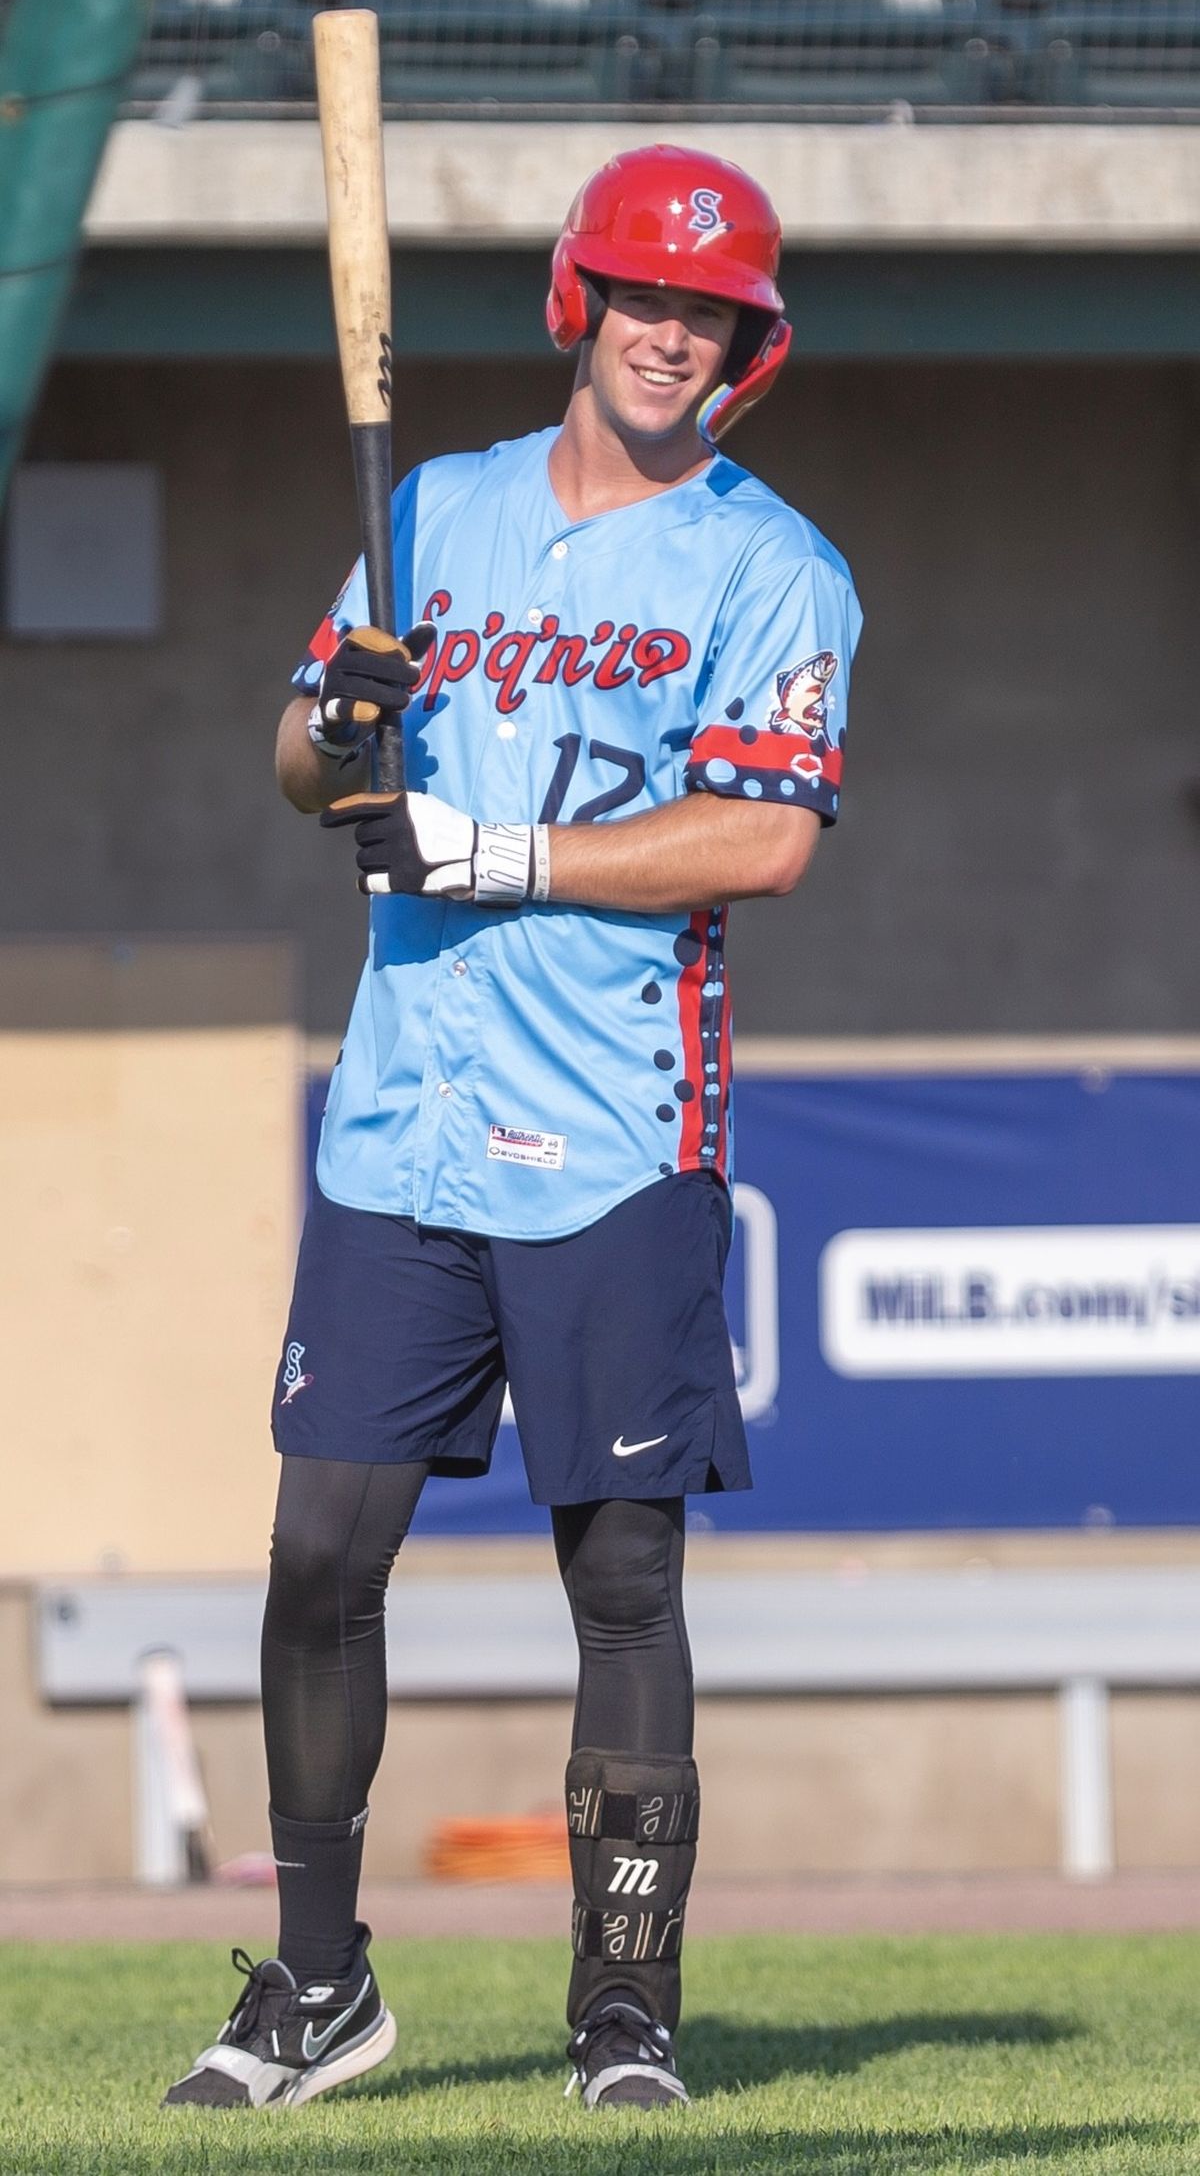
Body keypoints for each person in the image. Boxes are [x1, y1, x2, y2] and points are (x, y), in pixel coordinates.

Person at [163, 141, 861, 2116]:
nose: (676, 333)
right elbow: (305, 758)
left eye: (713, 310)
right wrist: (349, 728)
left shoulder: (772, 564)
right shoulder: (435, 513)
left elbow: (768, 838)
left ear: (750, 340)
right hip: (405, 1119)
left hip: (619, 1123)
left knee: (621, 1567)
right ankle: (316, 1987)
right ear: (583, 302)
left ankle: (624, 2009)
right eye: (647, 296)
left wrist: (503, 847)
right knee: (320, 1552)